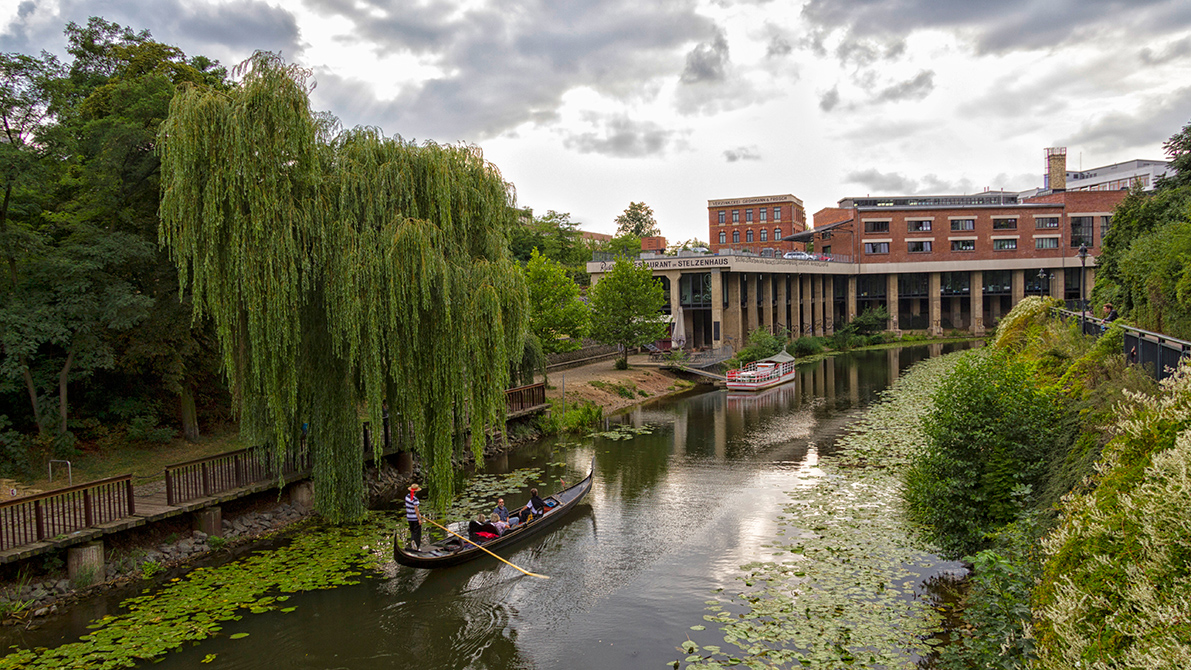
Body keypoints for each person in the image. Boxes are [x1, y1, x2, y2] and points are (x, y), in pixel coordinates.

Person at [405, 484, 423, 549]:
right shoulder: (415, 499)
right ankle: (417, 546)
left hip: (409, 518)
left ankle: (412, 541)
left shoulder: (407, 497)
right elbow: (416, 509)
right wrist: (419, 519)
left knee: (412, 531)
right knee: (417, 533)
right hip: (415, 518)